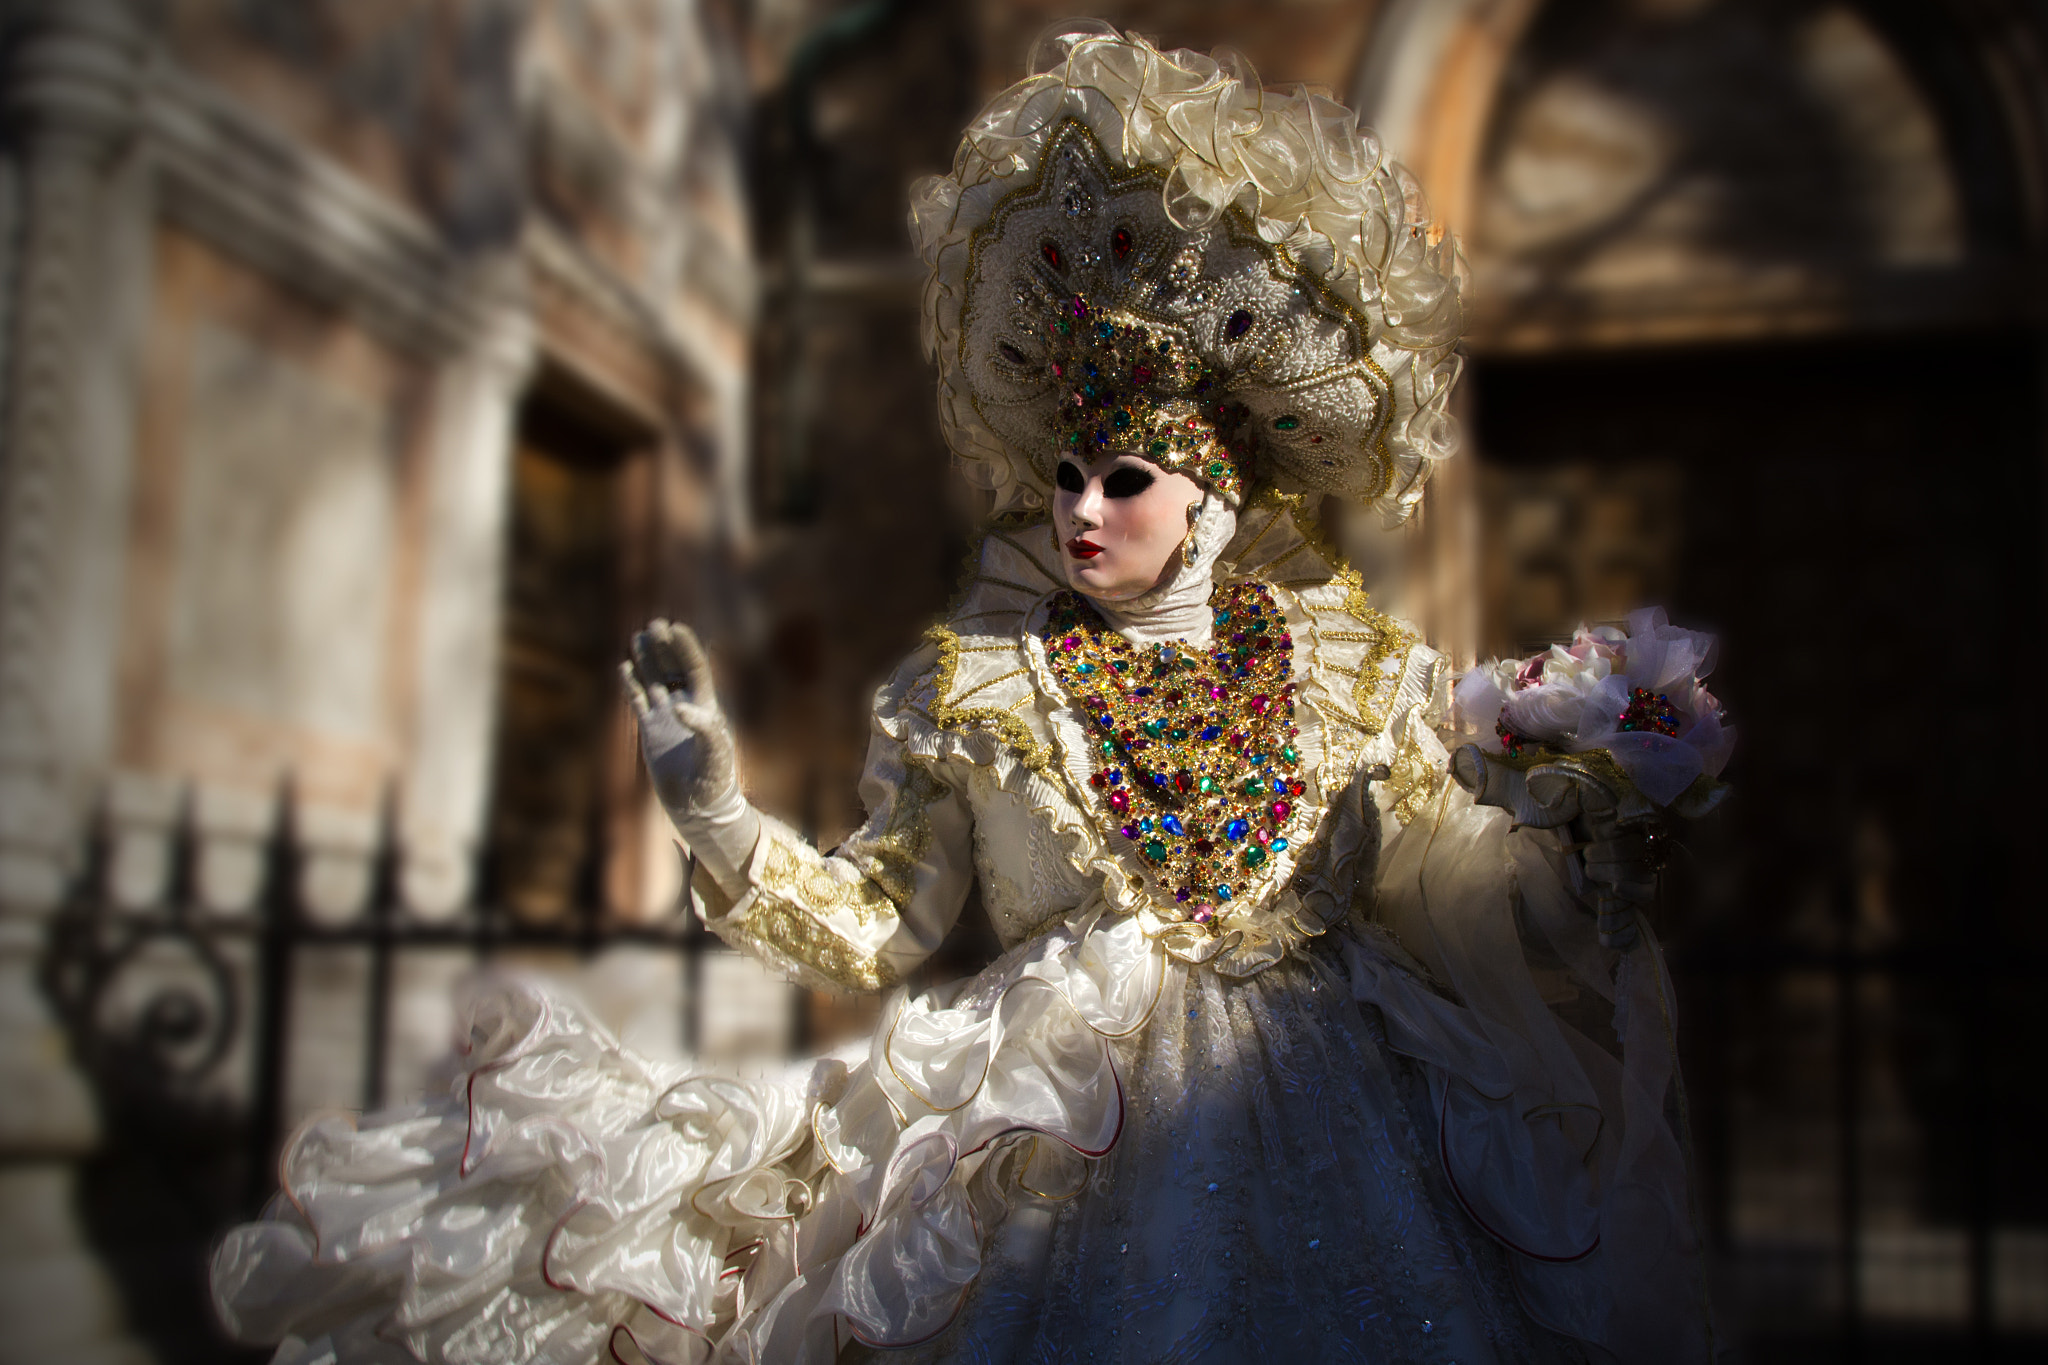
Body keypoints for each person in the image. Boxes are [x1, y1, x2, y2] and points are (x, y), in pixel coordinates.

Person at [212, 22, 1717, 1364]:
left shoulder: (1353, 679)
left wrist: (1576, 847)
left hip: (1338, 1127)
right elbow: (886, 917)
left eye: (1124, 478)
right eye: (1065, 474)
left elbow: (1440, 888)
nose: (1081, 509)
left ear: (1212, 487)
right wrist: (720, 812)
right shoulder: (980, 688)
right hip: (1048, 1132)